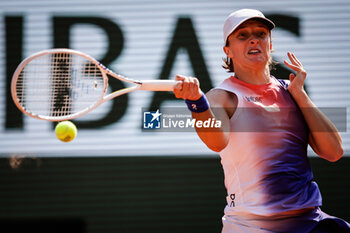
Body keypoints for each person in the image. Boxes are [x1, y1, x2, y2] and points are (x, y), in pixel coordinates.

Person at [173, 8, 350, 233]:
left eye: (261, 34)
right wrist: (196, 102)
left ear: (271, 44)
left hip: (310, 220)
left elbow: (333, 152)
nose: (254, 39)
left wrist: (301, 95)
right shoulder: (221, 96)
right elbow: (216, 141)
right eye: (243, 35)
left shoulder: (291, 90)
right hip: (252, 226)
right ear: (228, 50)